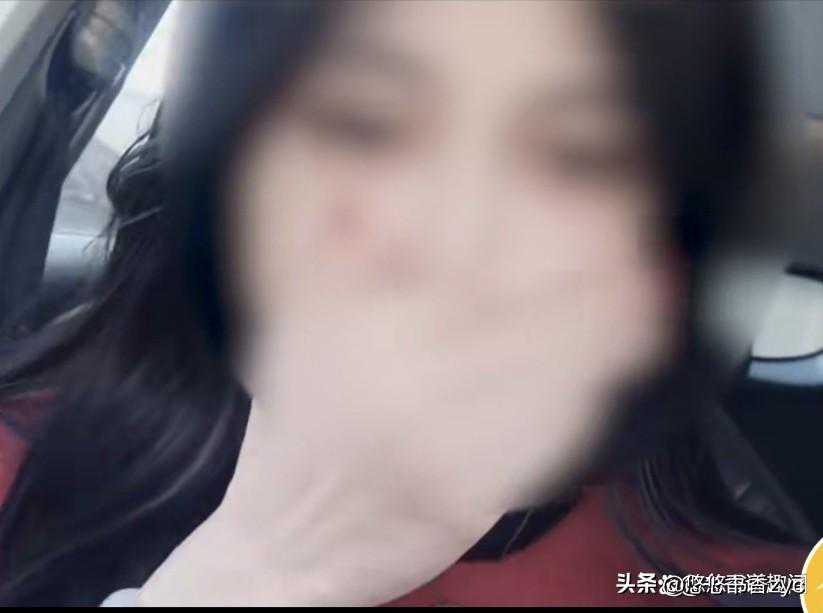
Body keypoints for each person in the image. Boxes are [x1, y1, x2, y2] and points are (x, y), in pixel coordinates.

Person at [0, 0, 814, 606]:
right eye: (368, 121)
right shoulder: (23, 460)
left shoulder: (747, 583)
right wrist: (248, 577)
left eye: (579, 151)